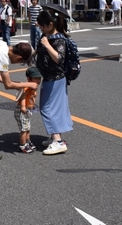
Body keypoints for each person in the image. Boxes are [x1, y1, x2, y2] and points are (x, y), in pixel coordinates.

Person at [35, 9, 74, 155]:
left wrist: (46, 44)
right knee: (54, 108)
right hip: (50, 77)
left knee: (47, 109)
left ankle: (57, 141)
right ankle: (55, 138)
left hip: (55, 78)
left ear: (50, 24)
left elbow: (59, 58)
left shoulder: (59, 39)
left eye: (42, 26)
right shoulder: (47, 36)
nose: (40, 28)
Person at [14, 66, 42, 154]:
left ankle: (27, 142)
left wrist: (31, 106)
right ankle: (22, 145)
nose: (38, 80)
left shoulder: (33, 87)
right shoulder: (28, 87)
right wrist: (23, 106)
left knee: (27, 128)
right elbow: (23, 97)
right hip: (22, 110)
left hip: (27, 110)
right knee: (24, 129)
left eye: (39, 78)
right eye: (36, 78)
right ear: (29, 79)